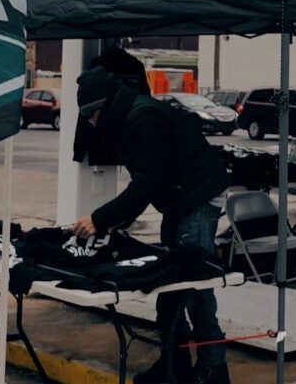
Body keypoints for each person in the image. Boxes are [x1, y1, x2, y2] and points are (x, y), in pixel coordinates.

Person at [69, 49, 234, 384]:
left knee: (196, 284)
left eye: (90, 115)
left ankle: (212, 369)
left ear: (101, 106)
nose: (90, 123)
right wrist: (117, 220)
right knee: (170, 283)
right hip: (181, 199)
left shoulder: (142, 116)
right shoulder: (129, 114)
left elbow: (147, 182)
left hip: (198, 199)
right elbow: (148, 180)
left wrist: (100, 218)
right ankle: (174, 364)